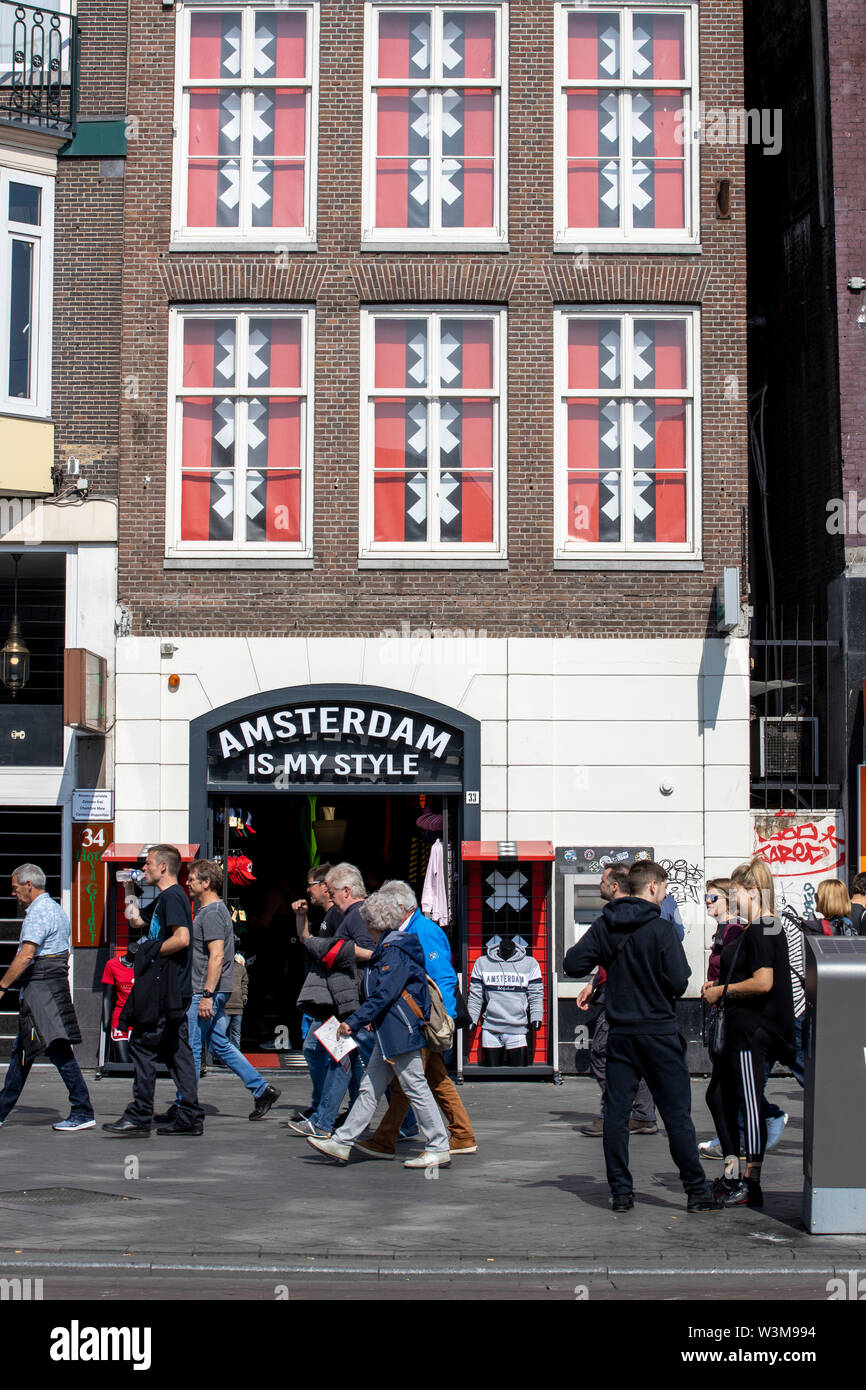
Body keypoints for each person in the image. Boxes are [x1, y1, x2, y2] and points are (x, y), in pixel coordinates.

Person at [564, 861, 721, 1213]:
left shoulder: (605, 925)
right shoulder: (662, 930)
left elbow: (572, 964)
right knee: (677, 1116)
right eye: (664, 888)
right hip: (659, 1032)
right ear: (651, 887)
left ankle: (621, 1193)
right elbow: (680, 982)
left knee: (616, 1115)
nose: (665, 894)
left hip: (620, 1033)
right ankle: (696, 1192)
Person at [306, 892, 451, 1169]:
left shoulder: (393, 950)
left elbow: (384, 993)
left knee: (414, 1086)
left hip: (399, 1031)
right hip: (391, 1031)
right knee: (370, 1087)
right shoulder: (392, 947)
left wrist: (355, 1021)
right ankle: (343, 1141)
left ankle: (438, 1144)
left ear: (374, 923)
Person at [353, 879, 477, 1158]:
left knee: (407, 1082)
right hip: (421, 1019)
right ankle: (462, 1134)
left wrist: (441, 1018)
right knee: (434, 1078)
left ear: (398, 906)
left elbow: (442, 975)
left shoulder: (423, 930)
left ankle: (387, 1139)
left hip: (423, 1020)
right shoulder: (410, 929)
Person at [700, 859, 795, 1208]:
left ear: (752, 891)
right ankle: (734, 1173)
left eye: (736, 892)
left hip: (751, 1030)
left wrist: (721, 992)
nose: (733, 898)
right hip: (751, 1027)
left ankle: (749, 1182)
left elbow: (764, 980)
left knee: (748, 1102)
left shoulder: (760, 927)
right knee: (719, 1097)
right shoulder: (767, 926)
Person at [103, 845, 204, 1137]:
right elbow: (136, 920)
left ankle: (140, 1115)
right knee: (177, 1051)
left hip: (165, 987)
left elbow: (182, 939)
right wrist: (128, 889)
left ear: (163, 867)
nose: (143, 868)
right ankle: (190, 1116)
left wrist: (150, 951)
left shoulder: (173, 897)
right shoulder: (164, 899)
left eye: (147, 864)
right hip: (172, 988)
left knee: (142, 1045)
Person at [182, 859, 280, 1120]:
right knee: (219, 1044)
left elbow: (215, 957)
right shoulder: (212, 911)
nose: (187, 882)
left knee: (192, 1046)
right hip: (214, 990)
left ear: (206, 883)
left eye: (192, 879)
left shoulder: (212, 913)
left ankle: (186, 1107)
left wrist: (207, 995)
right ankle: (261, 1090)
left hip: (207, 991)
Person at [0, 865, 95, 1132]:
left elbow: (26, 955)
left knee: (57, 1050)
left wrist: (2, 985)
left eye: (16, 887)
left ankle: (82, 1109)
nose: (13, 892)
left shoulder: (39, 913)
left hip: (42, 990)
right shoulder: (55, 909)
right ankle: (2, 1109)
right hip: (48, 986)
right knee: (23, 1051)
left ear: (29, 884)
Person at [576, 862, 658, 1138]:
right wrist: (593, 983)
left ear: (614, 886)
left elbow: (575, 960)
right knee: (633, 1057)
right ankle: (640, 1112)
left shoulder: (616, 917)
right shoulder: (637, 914)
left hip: (619, 996)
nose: (599, 885)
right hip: (617, 992)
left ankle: (619, 1109)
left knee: (602, 1052)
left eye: (602, 881)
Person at [286, 914, 360, 1139]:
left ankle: (324, 1117)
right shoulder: (330, 915)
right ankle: (327, 1116)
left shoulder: (345, 916)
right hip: (330, 999)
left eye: (313, 886)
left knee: (346, 1059)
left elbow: (340, 953)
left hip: (338, 1001)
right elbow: (306, 938)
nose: (309, 891)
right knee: (350, 1059)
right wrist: (300, 915)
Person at [224, 952, 248, 1051]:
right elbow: (244, 984)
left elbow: (244, 984)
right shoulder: (241, 969)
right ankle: (235, 1054)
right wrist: (244, 996)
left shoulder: (224, 967)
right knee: (235, 1033)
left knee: (223, 1032)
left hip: (230, 1004)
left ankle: (225, 1055)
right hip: (235, 1004)